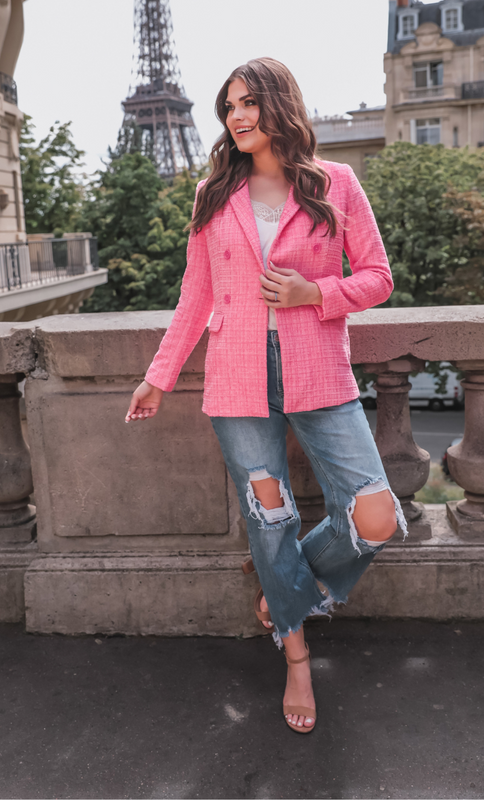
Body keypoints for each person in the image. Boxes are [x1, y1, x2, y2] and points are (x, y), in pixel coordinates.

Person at [125, 57, 408, 735]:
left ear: (280, 104)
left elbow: (377, 276)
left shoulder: (336, 183)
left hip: (320, 371)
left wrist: (317, 292)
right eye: (229, 106)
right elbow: (196, 296)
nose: (237, 116)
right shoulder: (212, 193)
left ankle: (290, 589)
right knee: (270, 519)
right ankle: (297, 658)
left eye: (249, 102)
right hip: (237, 378)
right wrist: (160, 375)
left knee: (374, 516)